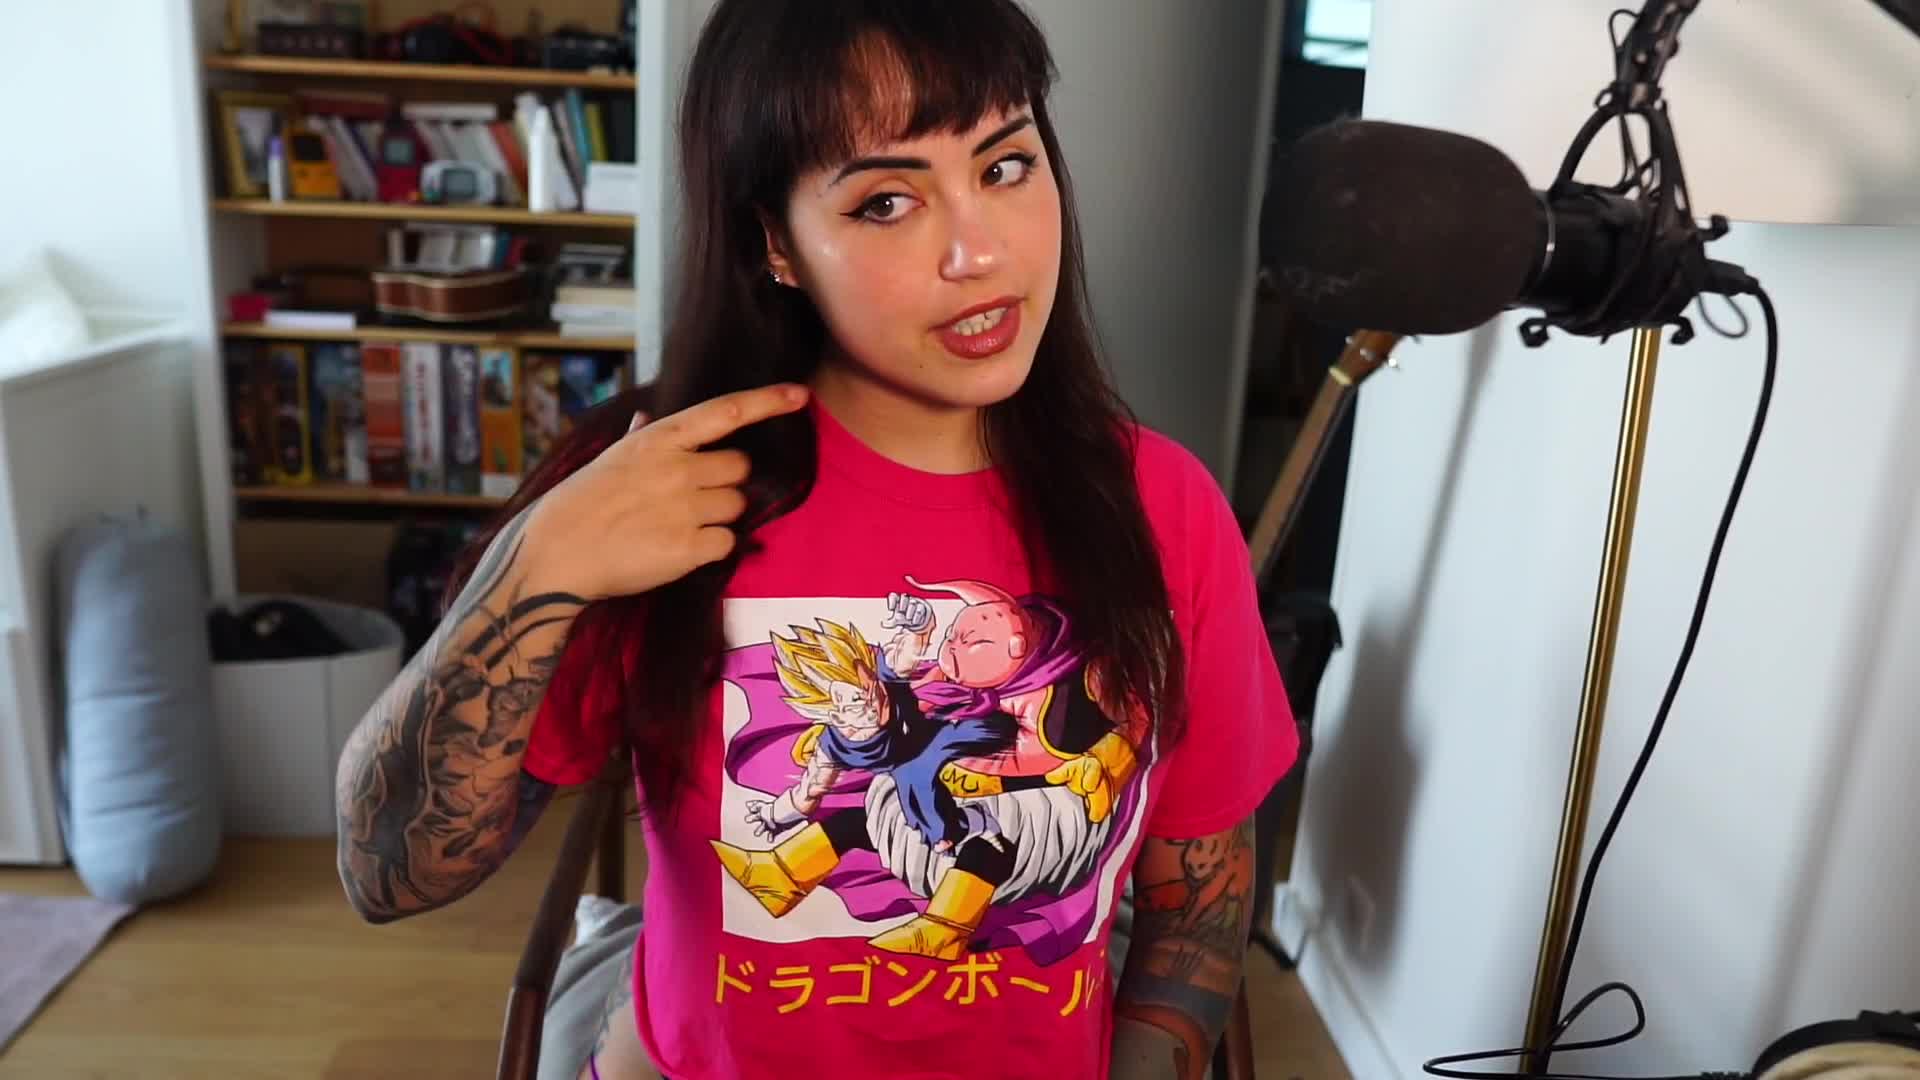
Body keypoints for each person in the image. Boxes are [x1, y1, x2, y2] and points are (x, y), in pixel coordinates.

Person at [332, 1, 1299, 1077]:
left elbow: (1198, 900)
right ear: (777, 244)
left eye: (1005, 166)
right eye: (887, 201)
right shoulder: (658, 481)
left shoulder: (1161, 504)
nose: (979, 252)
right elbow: (392, 876)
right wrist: (534, 569)